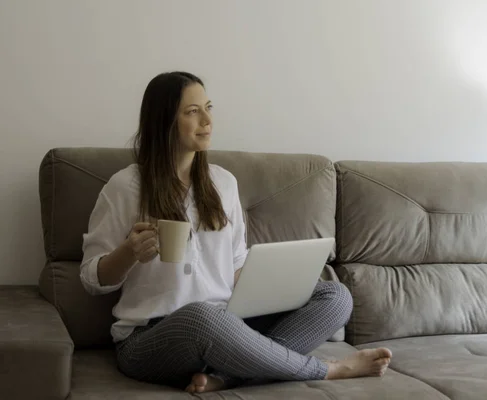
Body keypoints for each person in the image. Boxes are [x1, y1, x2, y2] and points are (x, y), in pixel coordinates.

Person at [80, 71, 392, 394]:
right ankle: (325, 370)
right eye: (192, 111)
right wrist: (129, 253)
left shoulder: (223, 184)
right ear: (164, 122)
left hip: (227, 323)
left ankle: (228, 377)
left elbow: (236, 267)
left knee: (336, 296)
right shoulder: (125, 188)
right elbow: (91, 278)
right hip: (149, 339)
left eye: (208, 108)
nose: (207, 120)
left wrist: (275, 287)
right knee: (202, 317)